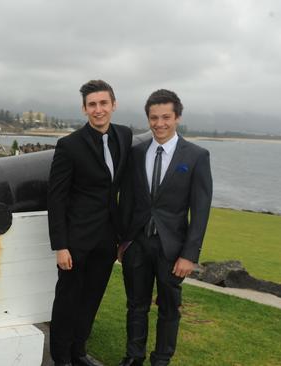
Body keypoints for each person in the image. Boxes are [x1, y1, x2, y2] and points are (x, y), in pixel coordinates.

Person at [117, 89, 213, 366]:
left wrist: (189, 254)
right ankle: (133, 358)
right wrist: (123, 242)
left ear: (177, 117)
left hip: (172, 249)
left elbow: (201, 209)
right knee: (136, 306)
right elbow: (127, 201)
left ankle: (161, 360)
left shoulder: (196, 156)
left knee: (169, 309)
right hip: (137, 245)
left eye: (166, 117)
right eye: (154, 118)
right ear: (148, 118)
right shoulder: (136, 153)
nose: (160, 123)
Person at [47, 80, 133, 366]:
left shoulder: (125, 135)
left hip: (107, 239)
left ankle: (78, 351)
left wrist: (122, 236)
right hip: (75, 240)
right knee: (67, 302)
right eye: (92, 105)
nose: (99, 110)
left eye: (103, 103)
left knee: (92, 299)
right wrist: (60, 245)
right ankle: (61, 358)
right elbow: (56, 198)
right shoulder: (69, 145)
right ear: (85, 109)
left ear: (113, 105)